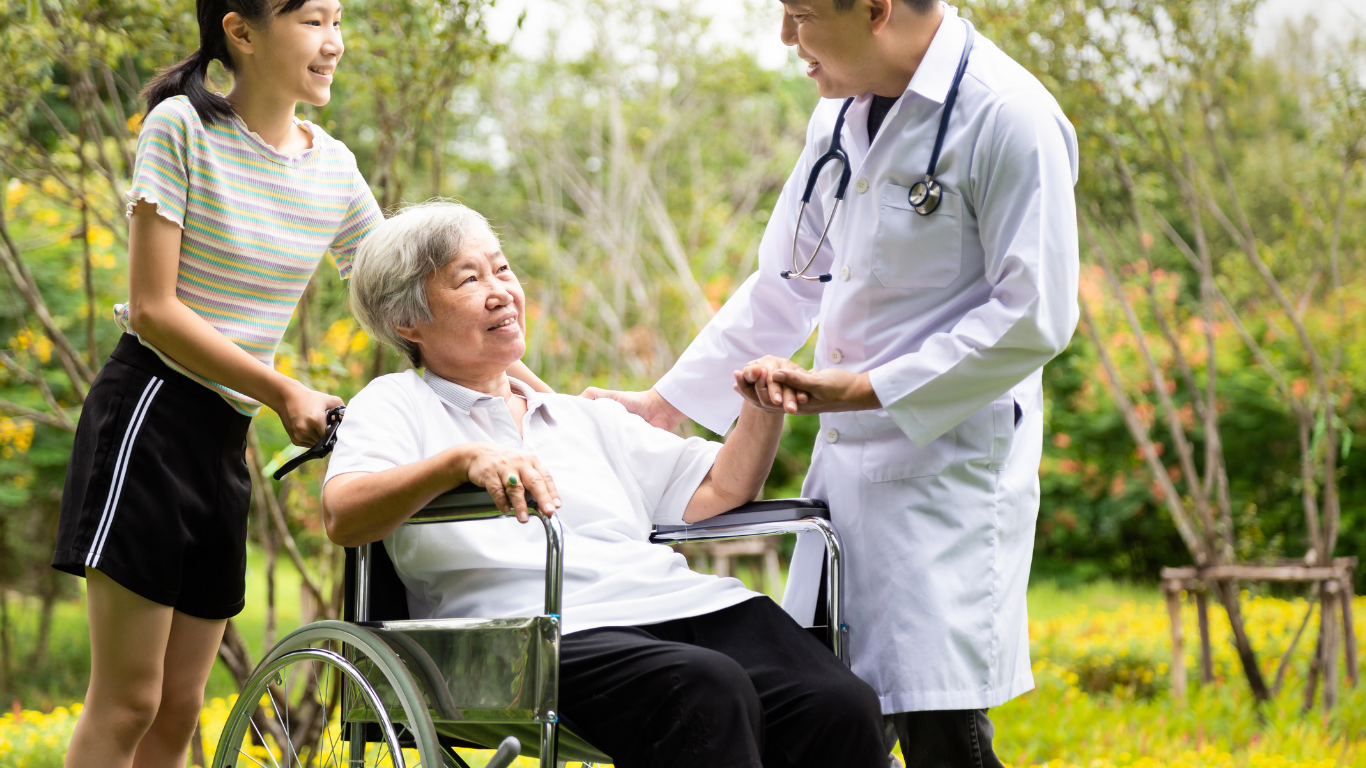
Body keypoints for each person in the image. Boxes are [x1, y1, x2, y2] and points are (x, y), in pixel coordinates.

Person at [583, 0, 1080, 765]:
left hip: (945, 472)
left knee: (939, 726)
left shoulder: (1008, 116)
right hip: (846, 477)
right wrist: (665, 406)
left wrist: (866, 388)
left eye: (801, 14)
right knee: (828, 711)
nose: (786, 38)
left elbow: (1034, 316)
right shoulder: (841, 116)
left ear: (878, 9)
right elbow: (786, 284)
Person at [321, 201, 887, 768]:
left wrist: (760, 406)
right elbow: (344, 514)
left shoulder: (579, 415)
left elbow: (720, 488)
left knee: (839, 702)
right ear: (407, 322)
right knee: (704, 690)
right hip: (539, 634)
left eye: (502, 270)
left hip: (679, 606)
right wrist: (458, 462)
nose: (500, 292)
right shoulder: (397, 402)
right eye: (469, 280)